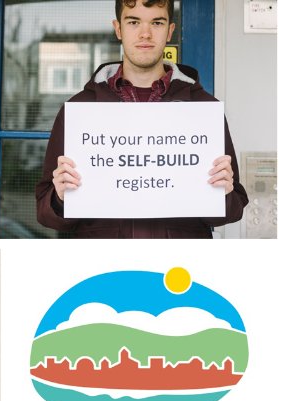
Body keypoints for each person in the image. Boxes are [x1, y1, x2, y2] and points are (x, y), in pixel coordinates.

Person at [35, 0, 247, 238]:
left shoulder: (203, 109)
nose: (145, 34)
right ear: (118, 29)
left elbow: (232, 209)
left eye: (156, 22)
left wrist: (224, 193)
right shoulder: (80, 109)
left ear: (169, 31)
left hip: (177, 267)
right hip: (104, 266)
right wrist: (60, 196)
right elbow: (45, 212)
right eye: (133, 22)